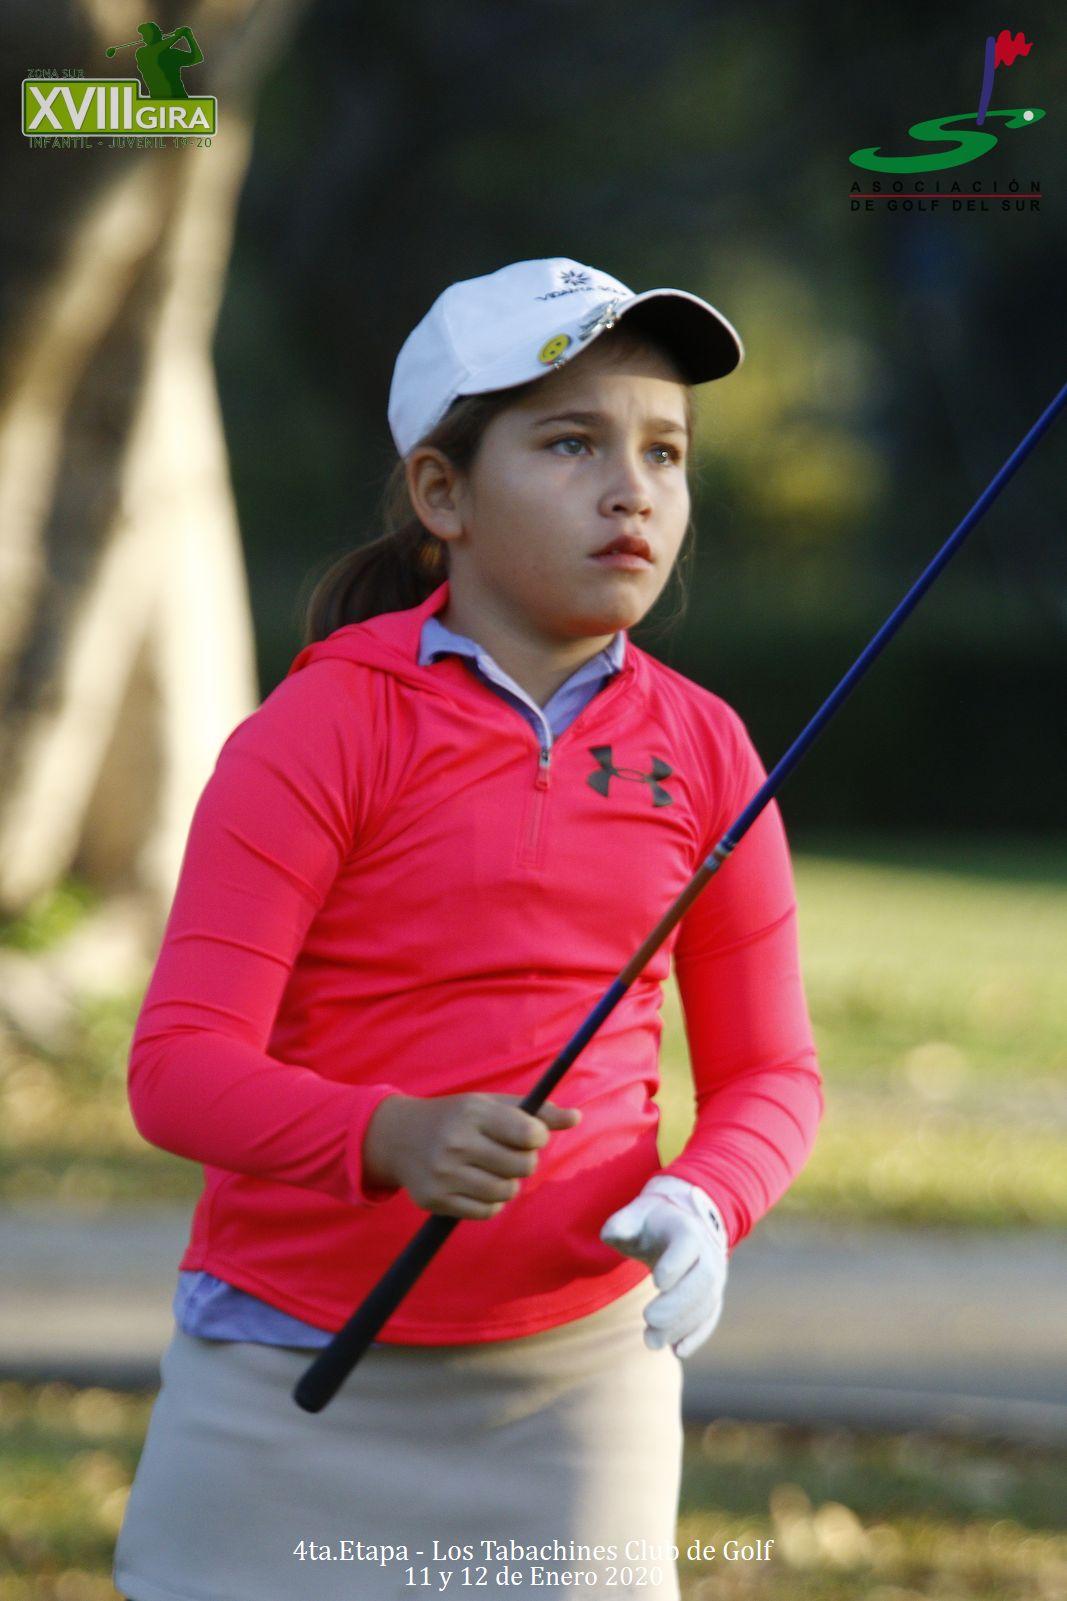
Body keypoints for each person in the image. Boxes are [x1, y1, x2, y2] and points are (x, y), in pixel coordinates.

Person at [112, 256, 823, 1601]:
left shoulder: (709, 749)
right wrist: (391, 1136)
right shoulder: (320, 729)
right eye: (571, 443)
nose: (634, 488)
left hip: (578, 1383)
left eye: (665, 451)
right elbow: (178, 1068)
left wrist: (706, 1196)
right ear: (443, 495)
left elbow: (773, 1073)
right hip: (284, 1367)